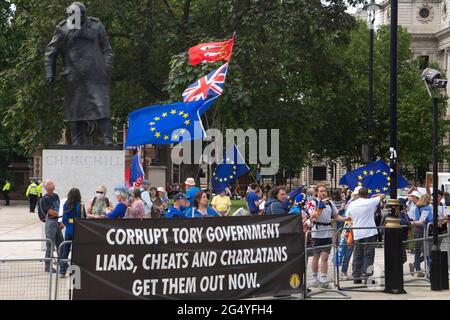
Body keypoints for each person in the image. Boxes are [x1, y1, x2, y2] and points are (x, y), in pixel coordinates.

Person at [44, 2, 114, 145]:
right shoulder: (63, 28)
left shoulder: (97, 26)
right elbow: (51, 52)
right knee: (76, 109)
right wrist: (49, 73)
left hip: (96, 75)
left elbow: (107, 50)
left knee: (101, 105)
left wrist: (107, 69)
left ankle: (107, 138)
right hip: (73, 77)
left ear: (83, 15)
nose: (72, 19)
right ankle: (78, 141)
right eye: (70, 17)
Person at [309, 183, 348, 288]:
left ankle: (324, 278)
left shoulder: (330, 203)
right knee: (316, 257)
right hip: (316, 233)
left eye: (325, 191)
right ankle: (314, 278)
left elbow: (336, 216)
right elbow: (312, 216)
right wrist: (320, 205)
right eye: (321, 191)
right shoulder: (313, 202)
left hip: (327, 232)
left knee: (325, 257)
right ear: (316, 192)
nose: (323, 193)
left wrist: (346, 218)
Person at [346, 187, 385, 284]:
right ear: (367, 194)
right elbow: (383, 195)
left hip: (357, 232)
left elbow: (348, 216)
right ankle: (367, 276)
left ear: (358, 194)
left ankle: (356, 276)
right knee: (369, 255)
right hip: (369, 232)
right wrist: (374, 196)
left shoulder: (352, 204)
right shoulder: (370, 202)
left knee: (357, 255)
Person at [60, 188, 86, 277]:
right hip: (77, 230)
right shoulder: (80, 205)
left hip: (68, 231)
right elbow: (83, 218)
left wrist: (69, 223)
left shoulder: (66, 204)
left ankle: (62, 271)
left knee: (65, 250)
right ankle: (74, 272)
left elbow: (64, 220)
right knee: (76, 251)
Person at [41, 179, 64, 273]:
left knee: (61, 243)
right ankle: (47, 266)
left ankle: (62, 262)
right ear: (46, 187)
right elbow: (50, 212)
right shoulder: (45, 198)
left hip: (57, 221)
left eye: (52, 183)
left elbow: (58, 207)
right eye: (50, 183)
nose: (53, 184)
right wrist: (62, 214)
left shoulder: (56, 196)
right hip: (50, 222)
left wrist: (60, 221)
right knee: (50, 244)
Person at [339, 186, 361, 281]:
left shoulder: (353, 203)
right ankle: (344, 271)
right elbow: (347, 216)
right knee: (348, 251)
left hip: (355, 228)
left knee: (357, 252)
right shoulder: (351, 203)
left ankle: (356, 271)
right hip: (350, 228)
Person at [410, 194, 433, 277]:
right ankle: (428, 269)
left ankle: (417, 268)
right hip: (424, 229)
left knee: (418, 250)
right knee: (427, 251)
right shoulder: (428, 207)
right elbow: (430, 219)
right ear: (427, 200)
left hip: (417, 230)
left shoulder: (417, 208)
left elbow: (417, 219)